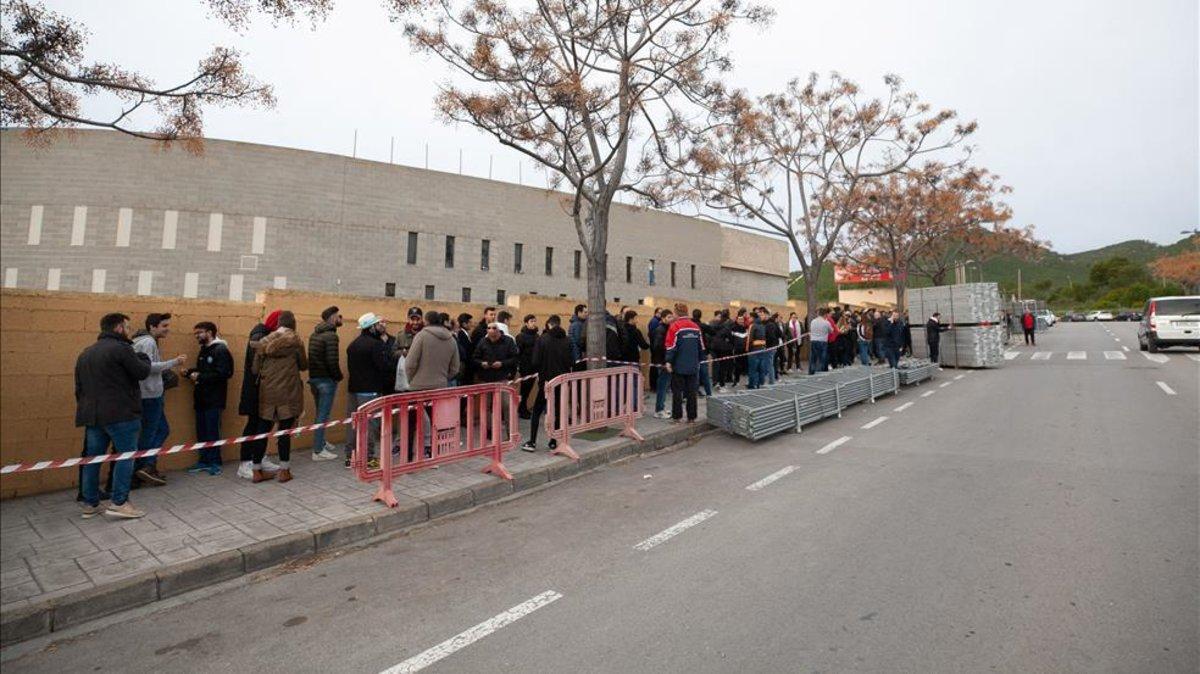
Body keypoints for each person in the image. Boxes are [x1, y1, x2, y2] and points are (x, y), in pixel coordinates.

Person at [75, 313, 153, 519]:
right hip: (121, 414)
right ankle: (119, 502)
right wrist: (143, 357)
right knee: (126, 456)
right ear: (119, 328)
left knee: (93, 459)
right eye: (128, 328)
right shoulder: (122, 349)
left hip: (92, 416)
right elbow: (142, 372)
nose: (130, 331)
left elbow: (79, 388)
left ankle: (90, 503)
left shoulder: (86, 353)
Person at [249, 311, 306, 483]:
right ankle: (284, 470)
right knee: (284, 432)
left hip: (267, 392)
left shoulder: (264, 341)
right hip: (288, 392)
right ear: (293, 323)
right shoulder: (296, 341)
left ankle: (257, 471)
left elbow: (255, 369)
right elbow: (304, 365)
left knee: (262, 431)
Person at [131, 313, 187, 488]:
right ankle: (144, 467)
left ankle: (146, 466)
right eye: (164, 326)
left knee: (161, 430)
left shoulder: (142, 341)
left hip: (148, 394)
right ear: (152, 327)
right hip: (150, 395)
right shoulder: (147, 342)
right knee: (150, 433)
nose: (167, 329)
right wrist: (174, 362)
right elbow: (148, 368)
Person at [237, 310, 283, 480]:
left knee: (264, 425)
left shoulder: (266, 334)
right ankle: (245, 463)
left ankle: (258, 457)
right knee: (253, 425)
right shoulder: (259, 335)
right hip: (255, 390)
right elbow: (260, 362)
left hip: (265, 390)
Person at [184, 321, 234, 475]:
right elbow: (203, 370)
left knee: (213, 432)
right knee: (202, 432)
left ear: (210, 332)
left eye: (200, 332)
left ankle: (215, 462)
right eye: (196, 334)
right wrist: (189, 372)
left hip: (214, 399)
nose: (197, 336)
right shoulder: (204, 350)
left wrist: (200, 376)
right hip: (201, 399)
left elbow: (224, 373)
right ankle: (203, 461)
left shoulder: (220, 350)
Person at [346, 312, 394, 466]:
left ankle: (350, 456)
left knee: (354, 424)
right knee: (370, 426)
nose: (379, 327)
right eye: (376, 325)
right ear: (371, 327)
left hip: (354, 390)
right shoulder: (376, 345)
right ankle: (368, 458)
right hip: (371, 391)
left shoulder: (352, 345)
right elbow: (383, 367)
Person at [522, 315, 574, 451]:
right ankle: (553, 441)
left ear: (549, 325)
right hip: (561, 382)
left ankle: (532, 442)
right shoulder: (567, 340)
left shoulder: (542, 340)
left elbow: (535, 361)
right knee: (556, 411)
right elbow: (571, 362)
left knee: (537, 411)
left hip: (545, 382)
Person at [307, 305, 343, 461]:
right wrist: (338, 377)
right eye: (339, 316)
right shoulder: (331, 336)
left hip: (314, 378)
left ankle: (320, 441)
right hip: (326, 380)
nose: (341, 318)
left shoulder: (315, 334)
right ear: (333, 318)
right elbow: (332, 361)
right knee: (323, 414)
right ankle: (318, 450)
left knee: (319, 413)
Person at [665, 303, 704, 423]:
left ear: (676, 313)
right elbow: (701, 346)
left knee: (677, 392)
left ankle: (677, 417)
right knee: (692, 393)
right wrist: (700, 361)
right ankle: (691, 418)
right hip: (693, 366)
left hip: (679, 366)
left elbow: (671, 346)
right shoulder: (695, 327)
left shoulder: (675, 326)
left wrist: (668, 361)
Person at [650, 309, 673, 418]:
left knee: (664, 385)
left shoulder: (666, 328)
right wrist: (664, 361)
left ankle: (661, 407)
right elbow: (657, 347)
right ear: (663, 318)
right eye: (668, 317)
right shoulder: (660, 330)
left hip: (664, 361)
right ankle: (659, 410)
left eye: (671, 317)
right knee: (662, 386)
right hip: (663, 362)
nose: (671, 319)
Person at [514, 314, 540, 418]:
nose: (533, 323)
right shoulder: (521, 336)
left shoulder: (537, 336)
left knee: (529, 389)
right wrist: (518, 365)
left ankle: (523, 408)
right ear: (526, 323)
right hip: (525, 366)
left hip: (534, 367)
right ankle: (522, 409)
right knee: (524, 389)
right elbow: (518, 353)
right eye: (531, 321)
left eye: (534, 321)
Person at [710, 311, 735, 391]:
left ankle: (715, 382)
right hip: (722, 349)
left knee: (715, 365)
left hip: (713, 348)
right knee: (723, 366)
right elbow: (731, 339)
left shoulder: (713, 325)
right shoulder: (726, 327)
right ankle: (721, 384)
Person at [693, 309, 714, 395]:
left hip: (692, 351)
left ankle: (694, 392)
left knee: (695, 374)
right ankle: (708, 393)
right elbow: (713, 332)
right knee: (705, 374)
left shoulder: (691, 325)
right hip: (702, 351)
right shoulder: (702, 325)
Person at [745, 308, 768, 388]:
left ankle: (752, 385)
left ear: (753, 318)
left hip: (754, 351)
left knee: (753, 369)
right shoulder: (762, 325)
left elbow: (749, 339)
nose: (748, 319)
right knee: (760, 368)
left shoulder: (752, 325)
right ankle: (759, 384)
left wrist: (747, 350)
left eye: (749, 317)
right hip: (762, 349)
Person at [808, 307, 833, 374]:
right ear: (825, 314)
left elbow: (811, 330)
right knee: (822, 358)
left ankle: (812, 371)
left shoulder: (813, 321)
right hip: (823, 341)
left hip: (814, 341)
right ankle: (820, 372)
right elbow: (831, 331)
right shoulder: (826, 322)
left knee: (813, 357)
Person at [454, 312, 474, 385]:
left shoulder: (465, 334)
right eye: (470, 322)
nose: (471, 324)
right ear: (464, 324)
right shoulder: (461, 334)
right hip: (465, 368)